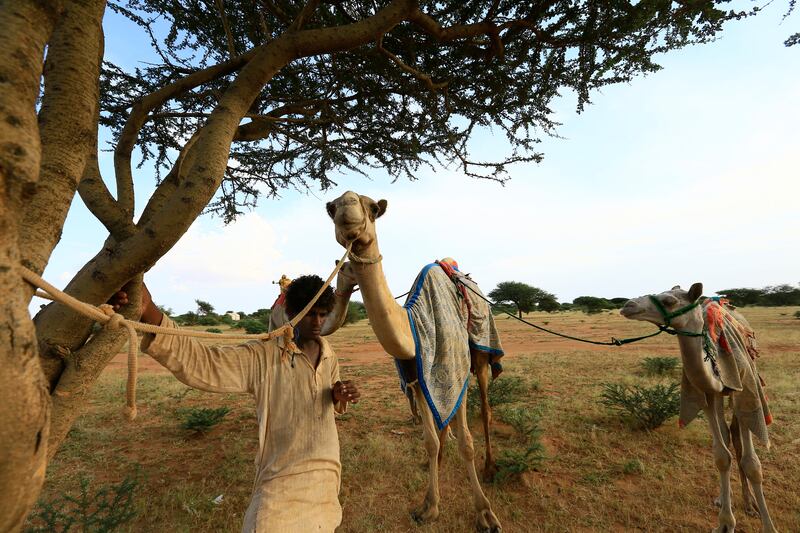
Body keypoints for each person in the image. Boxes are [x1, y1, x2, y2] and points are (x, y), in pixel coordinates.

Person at [110, 275, 360, 532]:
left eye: (323, 315)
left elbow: (328, 393)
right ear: (291, 312)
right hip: (281, 484)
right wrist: (147, 311)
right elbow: (205, 363)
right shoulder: (263, 356)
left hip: (327, 480)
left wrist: (338, 395)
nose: (317, 322)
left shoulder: (329, 354)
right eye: (310, 315)